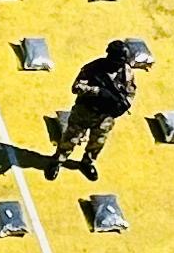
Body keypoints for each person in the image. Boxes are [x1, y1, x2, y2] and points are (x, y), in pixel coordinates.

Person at [52, 40, 139, 179]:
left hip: (106, 116)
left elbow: (130, 93)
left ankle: (87, 163)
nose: (119, 66)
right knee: (71, 138)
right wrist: (97, 91)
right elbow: (76, 87)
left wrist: (123, 106)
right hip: (85, 111)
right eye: (117, 62)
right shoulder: (93, 68)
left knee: (97, 142)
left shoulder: (126, 72)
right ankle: (58, 161)